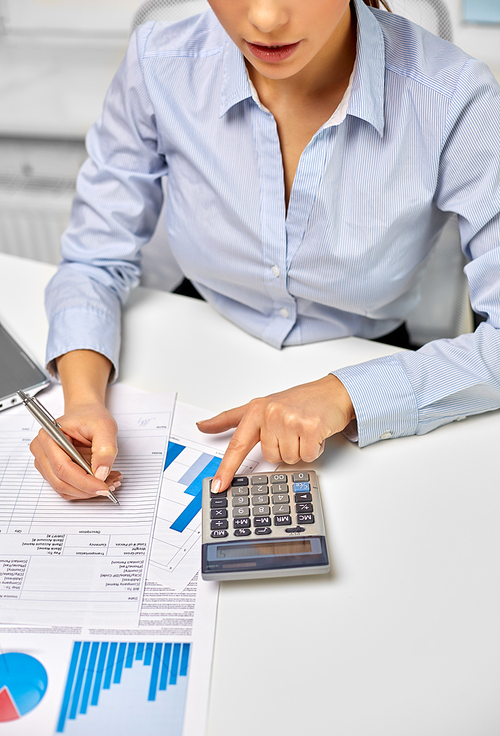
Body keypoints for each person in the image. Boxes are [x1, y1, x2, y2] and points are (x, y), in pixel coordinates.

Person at [30, 0, 500, 500]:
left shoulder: (454, 98)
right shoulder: (158, 64)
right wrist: (80, 402)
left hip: (366, 356)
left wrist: (345, 396)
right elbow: (93, 260)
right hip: (199, 345)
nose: (267, 19)